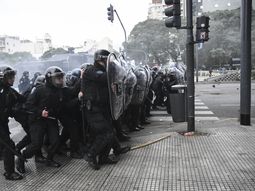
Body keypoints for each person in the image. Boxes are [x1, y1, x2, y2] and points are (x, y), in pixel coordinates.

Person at [81, 49, 129, 170]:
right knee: (105, 133)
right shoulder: (91, 71)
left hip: (103, 108)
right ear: (100, 60)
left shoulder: (104, 71)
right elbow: (104, 78)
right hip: (93, 109)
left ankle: (104, 157)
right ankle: (91, 154)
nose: (109, 64)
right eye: (107, 61)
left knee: (110, 132)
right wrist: (114, 69)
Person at [16, 66, 65, 173]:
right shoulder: (39, 90)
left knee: (56, 141)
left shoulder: (60, 91)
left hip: (51, 120)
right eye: (58, 78)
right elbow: (28, 105)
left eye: (61, 77)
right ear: (50, 79)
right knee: (36, 144)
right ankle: (22, 157)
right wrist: (40, 112)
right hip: (37, 120)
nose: (60, 80)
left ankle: (49, 159)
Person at [0, 65, 24, 180]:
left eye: (12, 76)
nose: (12, 79)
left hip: (3, 123)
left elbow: (22, 98)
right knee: (9, 145)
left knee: (5, 146)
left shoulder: (9, 90)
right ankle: (9, 173)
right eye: (9, 76)